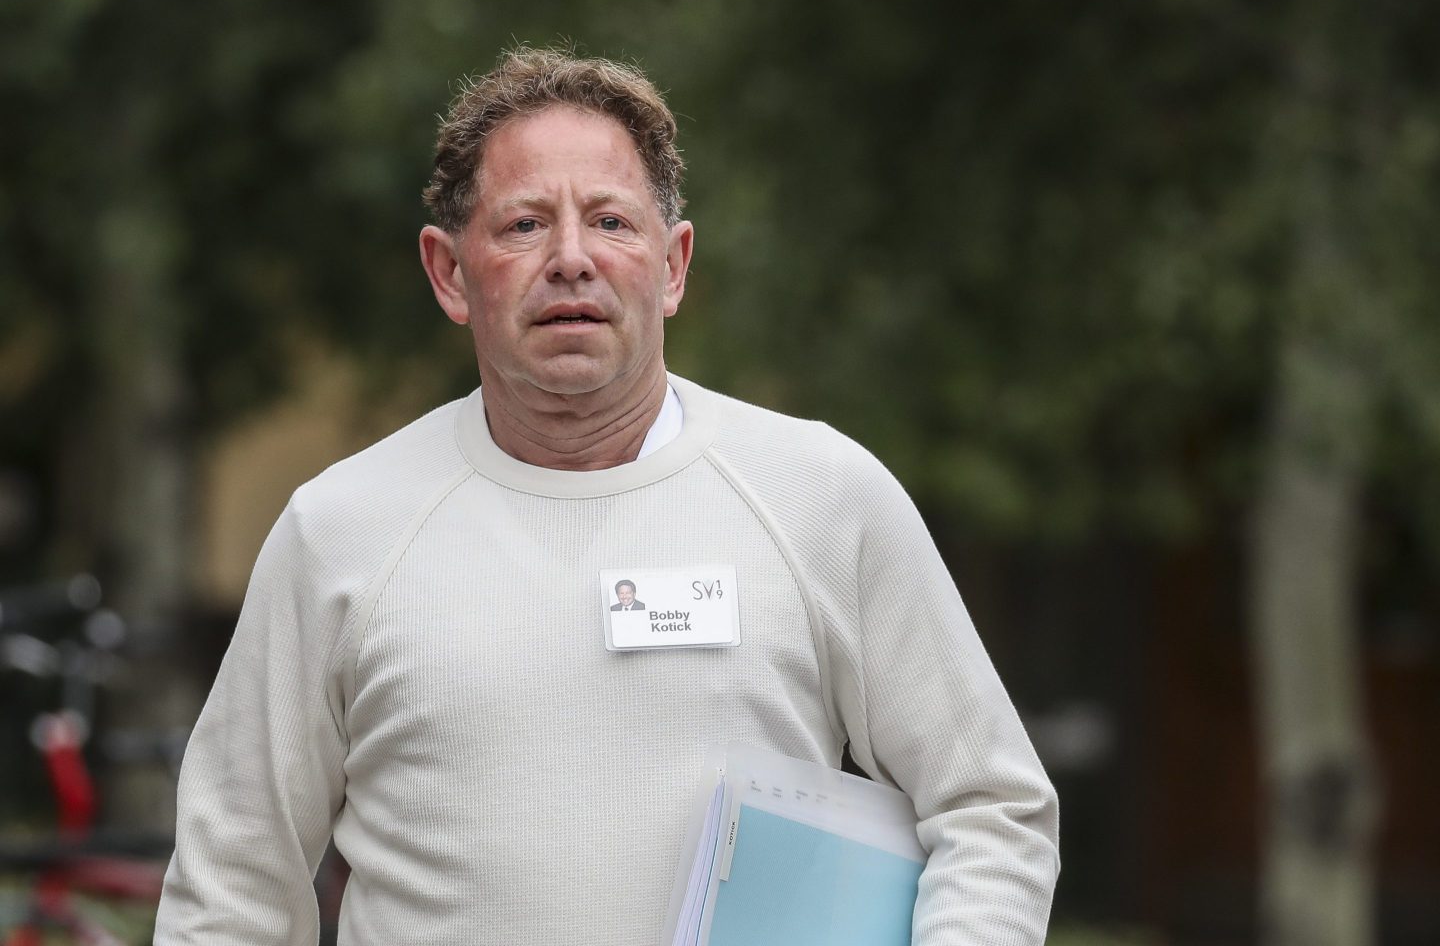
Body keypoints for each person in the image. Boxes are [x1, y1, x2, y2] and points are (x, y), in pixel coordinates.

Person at [155, 46, 1059, 944]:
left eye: (612, 221)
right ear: (448, 272)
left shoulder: (822, 498)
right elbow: (230, 889)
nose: (571, 259)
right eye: (524, 225)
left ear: (673, 265)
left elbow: (990, 809)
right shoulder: (339, 531)